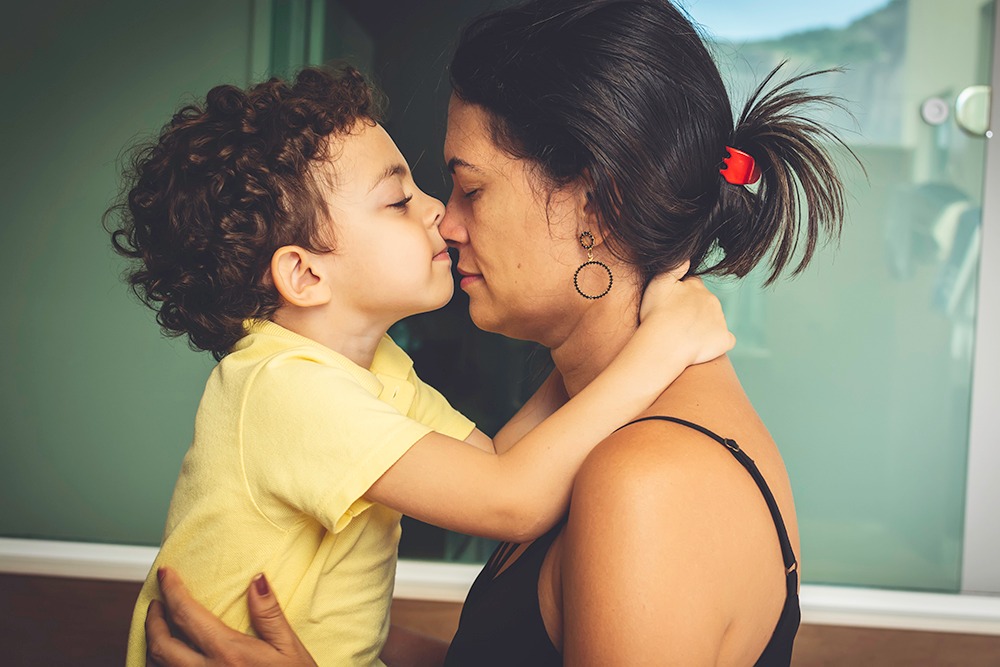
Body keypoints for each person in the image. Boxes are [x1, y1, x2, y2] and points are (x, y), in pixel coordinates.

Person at [143, 0, 856, 664]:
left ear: (597, 204)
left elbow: (505, 484)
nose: (446, 223)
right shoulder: (613, 434)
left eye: (471, 189)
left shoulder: (650, 484)